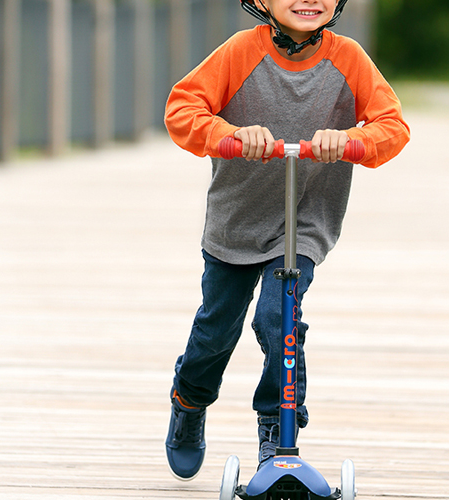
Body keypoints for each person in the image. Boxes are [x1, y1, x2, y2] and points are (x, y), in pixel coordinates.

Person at [163, 0, 410, 481]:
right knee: (216, 330)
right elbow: (182, 109)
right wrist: (231, 134)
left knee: (279, 317)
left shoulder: (349, 59)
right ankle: (189, 399)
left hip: (304, 220)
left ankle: (278, 426)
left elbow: (392, 127)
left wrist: (353, 141)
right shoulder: (239, 53)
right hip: (237, 221)